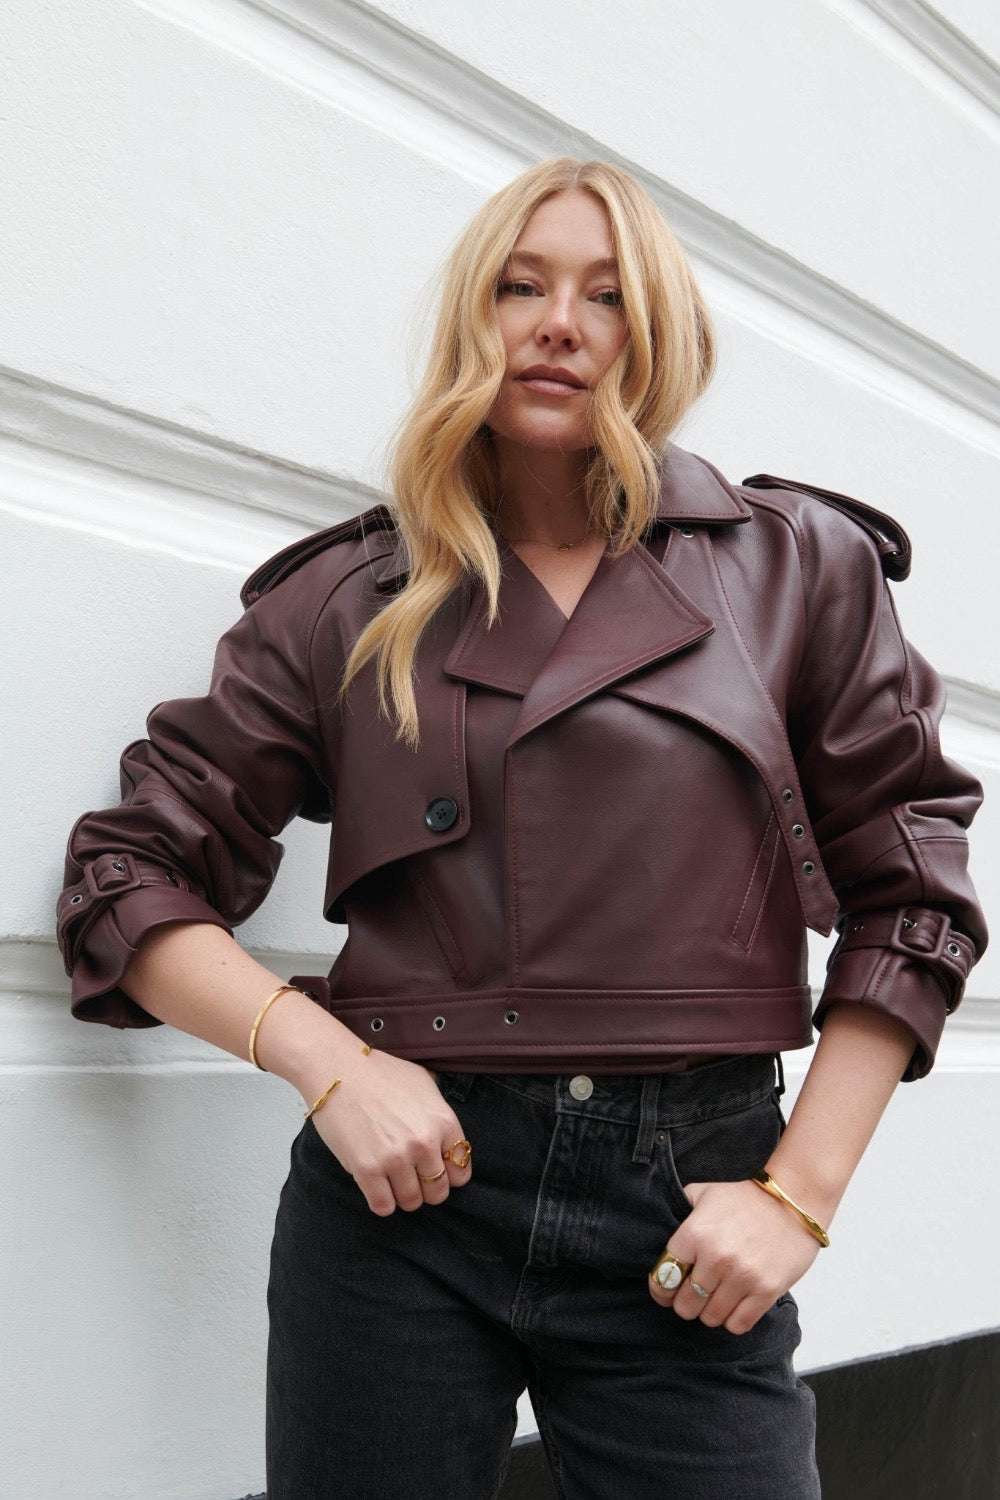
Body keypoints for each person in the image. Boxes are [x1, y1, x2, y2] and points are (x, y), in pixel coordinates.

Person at [55, 158, 989, 1499]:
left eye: (608, 296)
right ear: (471, 318)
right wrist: (330, 1065)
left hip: (687, 1207)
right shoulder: (349, 597)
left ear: (657, 336)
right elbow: (126, 875)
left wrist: (800, 1194)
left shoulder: (793, 566)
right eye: (520, 285)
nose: (559, 325)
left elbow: (913, 891)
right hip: (403, 1203)